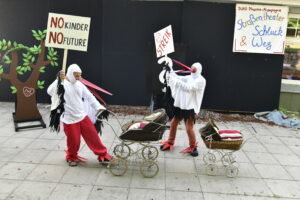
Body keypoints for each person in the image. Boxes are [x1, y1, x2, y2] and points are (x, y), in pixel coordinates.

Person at [47, 64, 111, 166]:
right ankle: (71, 157)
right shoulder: (62, 84)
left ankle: (103, 154)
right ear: (70, 74)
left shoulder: (79, 84)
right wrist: (58, 79)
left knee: (93, 136)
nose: (78, 78)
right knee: (74, 141)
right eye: (76, 75)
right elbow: (50, 91)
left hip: (82, 116)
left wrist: (99, 108)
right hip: (69, 119)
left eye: (79, 75)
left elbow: (90, 97)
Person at [159, 57, 206, 157]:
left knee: (189, 128)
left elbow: (189, 88)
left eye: (194, 68)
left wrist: (174, 79)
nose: (192, 69)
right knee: (173, 123)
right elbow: (178, 78)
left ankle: (193, 147)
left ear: (198, 70)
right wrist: (170, 70)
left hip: (190, 108)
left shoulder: (201, 80)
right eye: (192, 67)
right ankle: (170, 142)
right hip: (181, 105)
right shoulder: (190, 77)